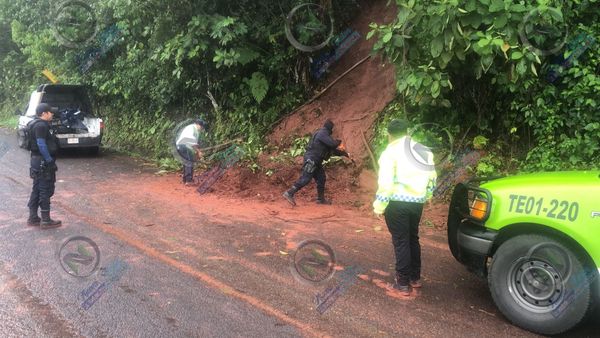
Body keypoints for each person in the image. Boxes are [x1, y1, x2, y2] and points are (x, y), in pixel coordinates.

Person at [373, 119, 437, 295]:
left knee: (401, 241)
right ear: (407, 131)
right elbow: (432, 177)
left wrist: (379, 206)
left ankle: (401, 283)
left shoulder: (390, 152)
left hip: (397, 202)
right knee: (412, 238)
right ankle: (415, 278)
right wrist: (428, 195)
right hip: (417, 202)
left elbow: (386, 182)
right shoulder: (423, 150)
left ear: (389, 134)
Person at [283, 119, 349, 206]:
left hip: (316, 161)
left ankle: (320, 199)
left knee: (321, 178)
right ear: (330, 129)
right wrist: (339, 142)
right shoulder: (322, 133)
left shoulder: (325, 137)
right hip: (312, 159)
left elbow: (332, 150)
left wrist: (344, 154)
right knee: (306, 178)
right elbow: (333, 144)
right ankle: (289, 193)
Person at [27, 103, 61, 229]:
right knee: (45, 190)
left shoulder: (35, 124)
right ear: (44, 114)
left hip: (36, 161)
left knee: (37, 188)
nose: (52, 114)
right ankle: (46, 220)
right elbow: (41, 144)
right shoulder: (41, 126)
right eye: (50, 112)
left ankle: (33, 218)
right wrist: (49, 160)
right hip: (42, 162)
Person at [176, 119, 208, 184]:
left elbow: (193, 144)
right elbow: (191, 141)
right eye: (201, 127)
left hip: (184, 146)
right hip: (183, 145)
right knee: (189, 162)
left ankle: (185, 179)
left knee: (187, 162)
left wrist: (196, 152)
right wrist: (199, 152)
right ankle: (188, 180)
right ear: (198, 125)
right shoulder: (191, 128)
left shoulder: (196, 130)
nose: (202, 129)